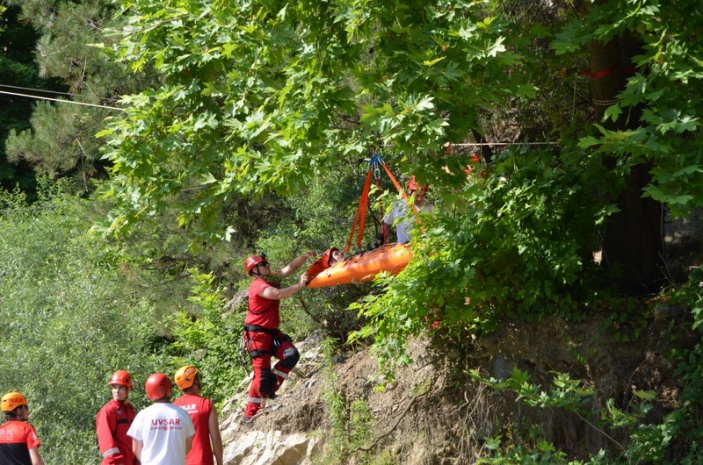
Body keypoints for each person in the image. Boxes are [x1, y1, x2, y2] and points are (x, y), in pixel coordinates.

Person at [242, 250, 314, 422]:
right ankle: (250, 413)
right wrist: (300, 285)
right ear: (255, 270)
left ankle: (268, 390)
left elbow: (288, 269)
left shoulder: (269, 279)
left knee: (291, 355)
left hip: (271, 332)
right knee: (261, 376)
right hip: (257, 335)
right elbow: (277, 294)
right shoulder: (258, 285)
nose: (268, 265)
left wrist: (304, 257)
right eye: (264, 264)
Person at [127, 373, 195, 465]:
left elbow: (136, 448)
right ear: (167, 391)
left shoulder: (142, 415)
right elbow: (188, 445)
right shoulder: (183, 414)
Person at [172, 366, 223, 465]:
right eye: (197, 378)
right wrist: (220, 463)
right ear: (194, 381)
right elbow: (216, 439)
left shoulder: (173, 408)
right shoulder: (206, 404)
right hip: (203, 461)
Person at [96, 370, 139, 465]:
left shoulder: (129, 410)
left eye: (121, 388)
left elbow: (135, 439)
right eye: (114, 387)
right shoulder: (108, 411)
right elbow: (107, 443)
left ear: (128, 390)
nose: (116, 391)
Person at [382, 176, 433, 244]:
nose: (419, 199)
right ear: (409, 192)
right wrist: (382, 238)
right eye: (417, 195)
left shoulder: (429, 207)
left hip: (422, 249)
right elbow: (385, 224)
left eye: (422, 196)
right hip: (403, 249)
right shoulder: (398, 205)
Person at [0, 392, 44, 465]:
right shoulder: (26, 429)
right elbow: (36, 462)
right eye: (26, 407)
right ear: (18, 410)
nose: (27, 411)